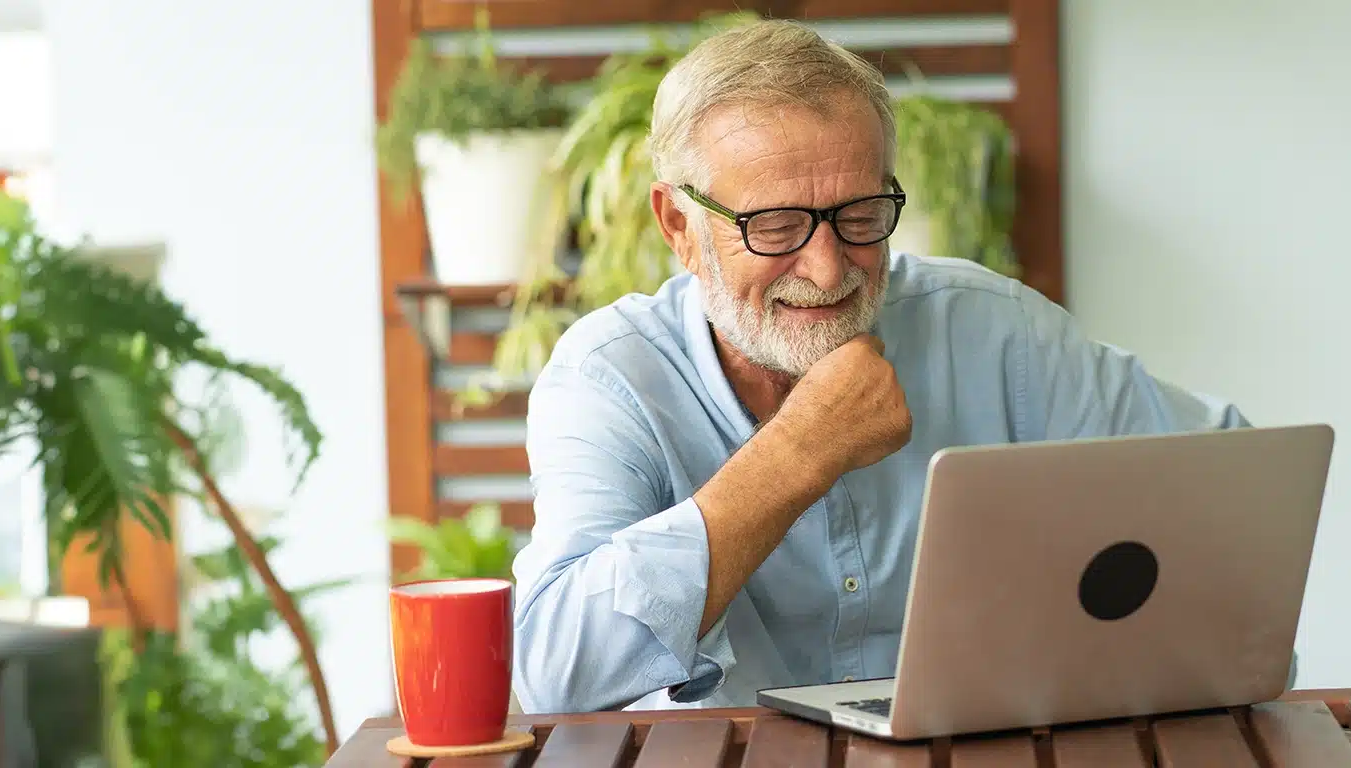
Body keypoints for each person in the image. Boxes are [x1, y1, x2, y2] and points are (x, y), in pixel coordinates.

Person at [510, 20, 1252, 714]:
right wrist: (800, 451)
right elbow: (555, 673)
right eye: (775, 225)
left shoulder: (995, 333)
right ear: (680, 224)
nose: (829, 268)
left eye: (861, 215)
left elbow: (1233, 479)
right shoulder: (610, 378)